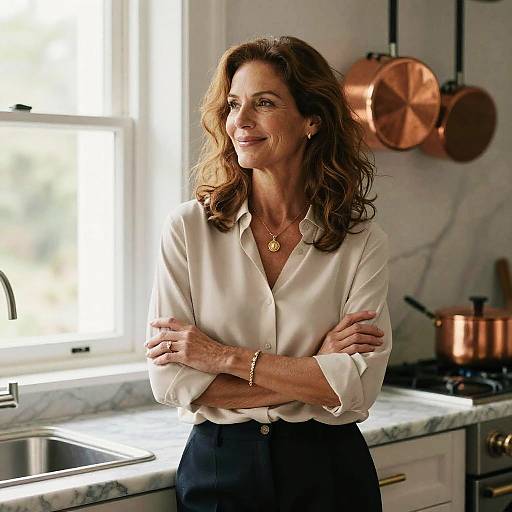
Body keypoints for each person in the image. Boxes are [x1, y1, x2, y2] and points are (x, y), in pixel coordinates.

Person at [145, 35, 391, 512]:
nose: (241, 121)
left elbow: (357, 389)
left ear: (311, 120)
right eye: (234, 104)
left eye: (264, 103)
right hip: (220, 470)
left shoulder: (361, 241)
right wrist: (316, 371)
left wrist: (218, 356)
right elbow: (171, 383)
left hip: (329, 471)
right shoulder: (187, 230)